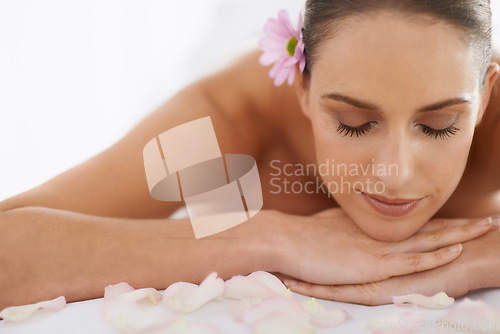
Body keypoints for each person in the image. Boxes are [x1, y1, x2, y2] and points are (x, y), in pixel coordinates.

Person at [0, 0, 499, 309]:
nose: (395, 173)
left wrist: (479, 258)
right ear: (303, 87)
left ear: (484, 96)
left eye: (438, 126)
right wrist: (273, 238)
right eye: (353, 122)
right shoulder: (230, 118)